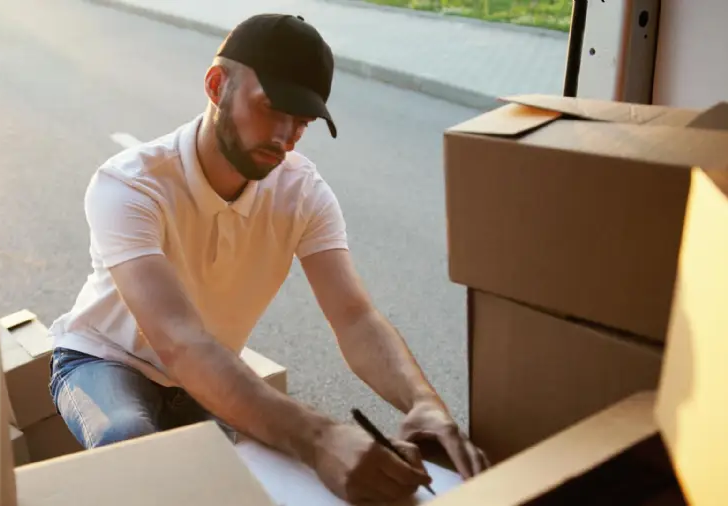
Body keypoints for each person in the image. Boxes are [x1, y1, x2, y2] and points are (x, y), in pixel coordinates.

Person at [48, 12, 488, 504]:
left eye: (302, 121)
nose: (287, 135)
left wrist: (423, 402)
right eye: (272, 108)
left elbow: (355, 318)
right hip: (104, 360)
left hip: (206, 375)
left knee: (251, 481)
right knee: (133, 446)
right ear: (217, 86)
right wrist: (321, 437)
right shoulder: (130, 184)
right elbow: (180, 341)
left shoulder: (302, 191)